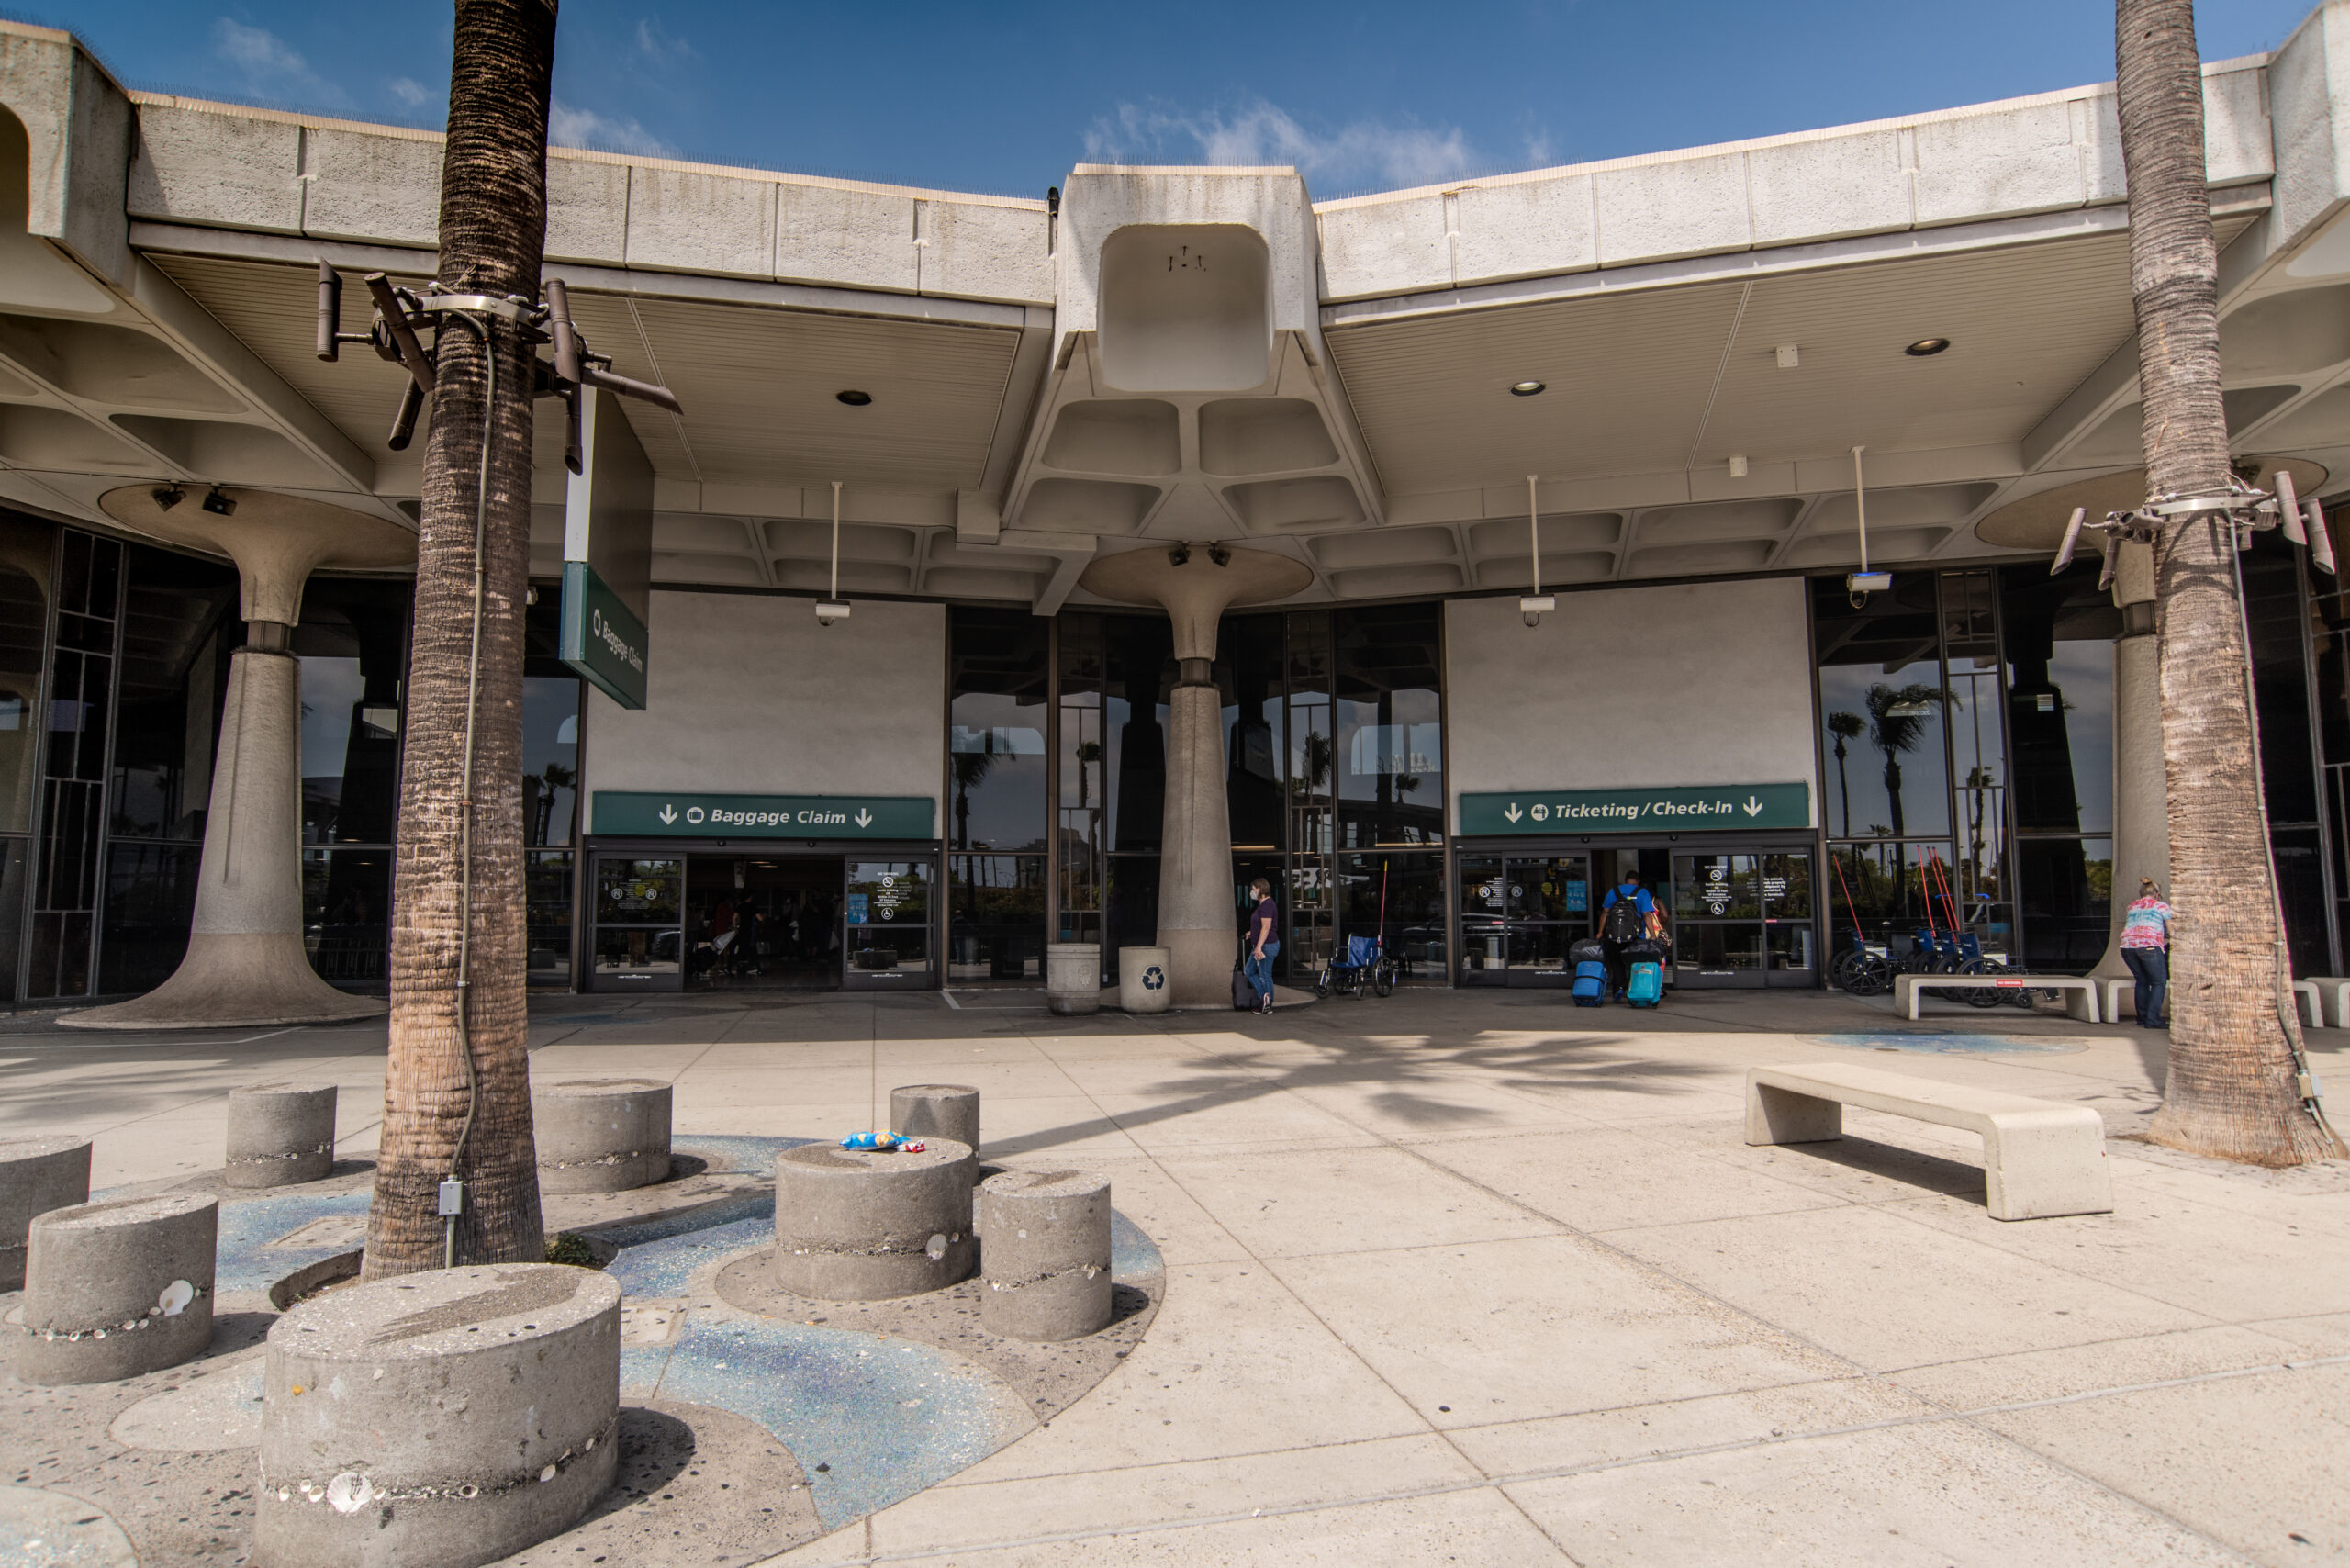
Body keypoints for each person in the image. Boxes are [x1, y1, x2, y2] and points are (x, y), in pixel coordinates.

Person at [1597, 871, 1659, 1002]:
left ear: (1625, 880)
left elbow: (1605, 913)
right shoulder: (1642, 892)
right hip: (1636, 936)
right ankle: (1633, 990)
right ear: (1638, 881)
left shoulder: (1614, 891)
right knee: (1635, 963)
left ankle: (1619, 988)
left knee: (1617, 962)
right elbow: (1647, 915)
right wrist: (1653, 936)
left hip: (1614, 936)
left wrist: (1600, 932)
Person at [2119, 877, 2171, 1027]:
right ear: (2157, 894)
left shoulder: (2132, 906)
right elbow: (2171, 928)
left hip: (2127, 947)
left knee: (2142, 980)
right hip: (2149, 946)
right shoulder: (2161, 906)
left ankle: (2142, 1018)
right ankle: (2152, 1020)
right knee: (2158, 982)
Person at [1244, 877, 1280, 1015]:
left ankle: (1267, 1004)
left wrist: (1258, 948)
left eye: (1254, 889)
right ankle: (1264, 998)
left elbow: (1266, 927)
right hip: (1262, 944)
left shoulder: (1267, 905)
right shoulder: (1263, 905)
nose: (1252, 892)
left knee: (1265, 975)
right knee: (1249, 971)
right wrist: (1252, 932)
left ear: (1260, 889)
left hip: (1266, 945)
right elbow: (1261, 925)